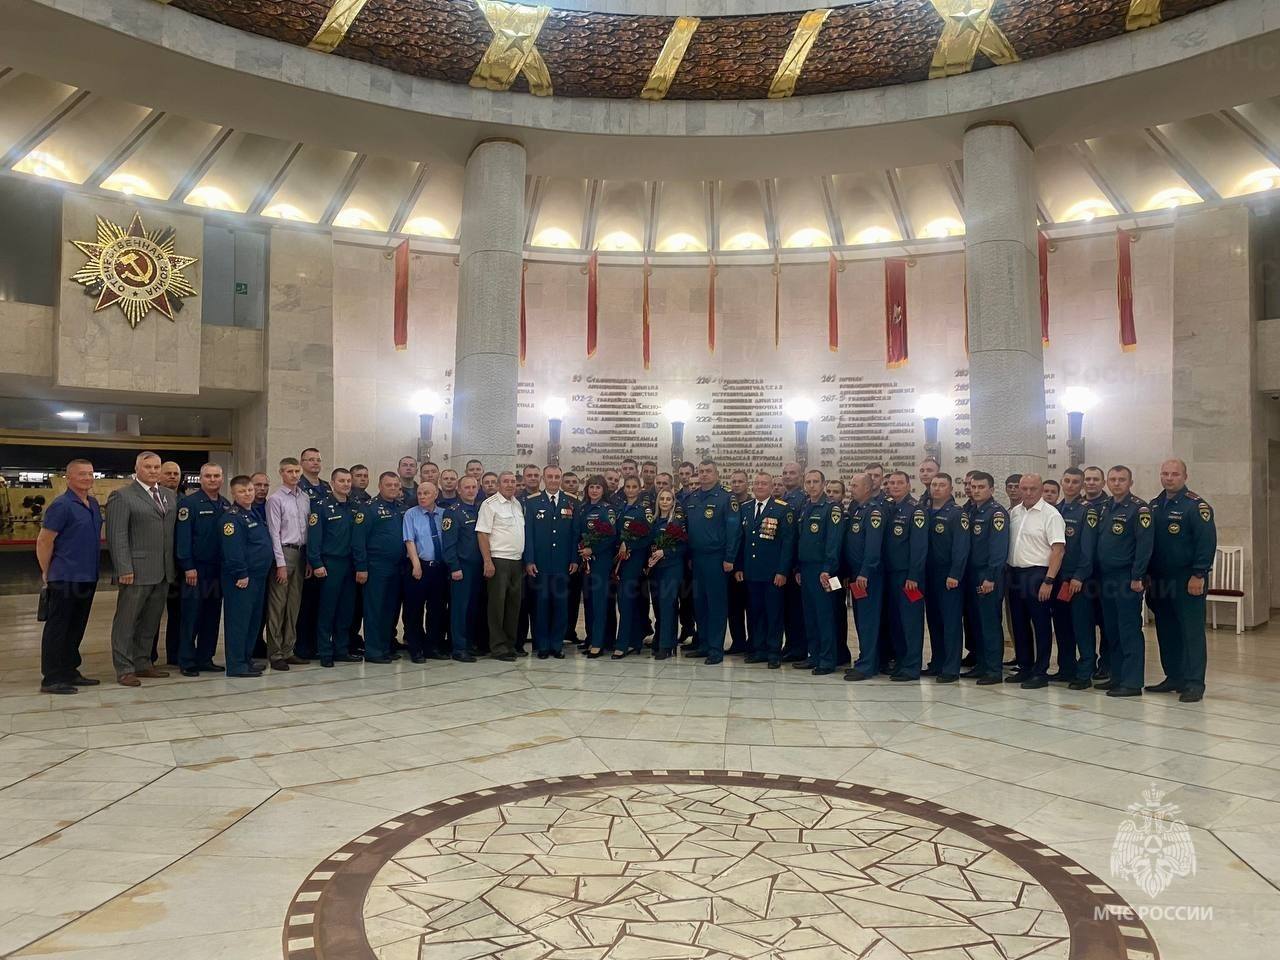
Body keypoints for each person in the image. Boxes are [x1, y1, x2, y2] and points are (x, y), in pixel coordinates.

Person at [1146, 459, 1216, 703]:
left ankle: (1195, 682)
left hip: (1187, 578)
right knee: (1166, 629)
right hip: (1159, 579)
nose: (1169, 478)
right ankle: (1174, 676)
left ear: (1185, 477)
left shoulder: (1196, 506)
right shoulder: (1154, 505)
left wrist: (1199, 574)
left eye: (1175, 474)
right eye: (1165, 473)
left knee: (1191, 632)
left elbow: (1206, 542)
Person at [106, 451, 177, 686]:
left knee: (151, 622)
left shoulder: (169, 495)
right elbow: (117, 535)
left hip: (163, 571)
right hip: (135, 571)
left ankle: (143, 663)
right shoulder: (122, 496)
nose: (153, 471)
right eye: (148, 467)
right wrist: (123, 568)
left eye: (157, 467)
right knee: (126, 622)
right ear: (137, 469)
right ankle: (124, 668)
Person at [36, 459, 103, 694]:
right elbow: (44, 540)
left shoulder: (92, 504)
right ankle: (52, 677)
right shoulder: (61, 505)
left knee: (76, 626)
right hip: (65, 576)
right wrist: (47, 571)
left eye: (90, 473)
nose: (87, 478)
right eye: (81, 474)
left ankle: (69, 670)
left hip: (88, 575)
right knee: (59, 626)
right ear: (69, 477)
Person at [1094, 465, 1154, 697]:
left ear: (1130, 483)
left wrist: (1138, 576)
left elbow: (1144, 545)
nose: (1116, 483)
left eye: (1121, 479)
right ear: (1107, 483)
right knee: (1112, 630)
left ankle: (1132, 682)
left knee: (1129, 630)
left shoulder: (1139, 509)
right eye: (1113, 479)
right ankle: (1117, 676)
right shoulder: (1104, 507)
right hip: (1105, 577)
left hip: (1127, 578)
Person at [1005, 473, 1066, 689]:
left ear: (1041, 490)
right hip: (1014, 574)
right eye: (1024, 488)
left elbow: (1058, 550)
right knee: (1019, 623)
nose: (1028, 493)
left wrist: (1049, 580)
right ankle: (1025, 667)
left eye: (1033, 489)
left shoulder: (1051, 515)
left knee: (1040, 624)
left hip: (1038, 575)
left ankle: (1040, 671)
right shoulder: (1014, 513)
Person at [684, 460, 741, 665]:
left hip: (717, 558)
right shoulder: (692, 498)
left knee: (716, 604)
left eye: (708, 471)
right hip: (697, 558)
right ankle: (704, 644)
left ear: (717, 474)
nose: (704, 475)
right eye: (701, 471)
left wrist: (729, 557)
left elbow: (734, 530)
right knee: (700, 603)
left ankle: (716, 649)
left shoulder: (726, 498)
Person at [175, 463, 229, 677]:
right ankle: (187, 660)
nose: (212, 480)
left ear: (222, 478)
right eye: (208, 476)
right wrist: (188, 566)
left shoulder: (225, 504)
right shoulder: (189, 504)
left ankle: (205, 658)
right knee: (191, 616)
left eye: (216, 476)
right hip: (196, 570)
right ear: (201, 478)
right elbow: (183, 538)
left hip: (218, 569)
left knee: (212, 616)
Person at [736, 471, 795, 669]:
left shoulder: (782, 509)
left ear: (771, 487)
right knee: (755, 612)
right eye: (757, 483)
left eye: (764, 483)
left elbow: (788, 543)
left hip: (773, 574)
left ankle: (773, 652)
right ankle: (758, 649)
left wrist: (782, 571)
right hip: (751, 572)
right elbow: (741, 540)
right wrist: (739, 566)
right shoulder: (745, 508)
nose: (760, 486)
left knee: (774, 613)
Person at [220, 475, 272, 678]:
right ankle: (236, 665)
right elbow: (233, 550)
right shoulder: (231, 518)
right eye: (242, 491)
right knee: (239, 622)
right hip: (242, 579)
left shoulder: (253, 513)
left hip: (258, 576)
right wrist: (241, 573)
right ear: (233, 494)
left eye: (250, 490)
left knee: (253, 621)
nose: (247, 494)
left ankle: (246, 659)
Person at [308, 468, 361, 668]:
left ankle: (341, 649)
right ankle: (325, 651)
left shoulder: (355, 506)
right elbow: (314, 538)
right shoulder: (321, 507)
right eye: (341, 481)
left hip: (350, 564)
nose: (346, 484)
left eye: (348, 481)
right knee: (327, 609)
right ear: (332, 483)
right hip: (331, 564)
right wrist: (316, 563)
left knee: (346, 609)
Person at [523, 465, 577, 660]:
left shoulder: (571, 501)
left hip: (562, 563)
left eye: (557, 477)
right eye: (550, 477)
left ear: (560, 479)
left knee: (561, 607)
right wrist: (529, 560)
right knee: (541, 606)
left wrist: (574, 558)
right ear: (543, 479)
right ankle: (543, 645)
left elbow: (575, 533)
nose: (553, 480)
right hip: (541, 563)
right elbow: (528, 534)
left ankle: (557, 644)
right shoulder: (532, 502)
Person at [353, 472, 407, 664]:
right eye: (388, 485)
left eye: (395, 485)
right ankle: (373, 651)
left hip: (397, 567)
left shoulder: (401, 508)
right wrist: (361, 566)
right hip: (376, 566)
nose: (393, 488)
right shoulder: (369, 508)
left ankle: (385, 647)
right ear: (380, 486)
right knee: (374, 609)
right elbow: (358, 540)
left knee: (390, 610)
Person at [792, 469, 841, 675]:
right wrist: (798, 567)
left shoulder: (831, 508)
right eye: (808, 482)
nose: (811, 485)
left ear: (823, 484)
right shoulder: (805, 507)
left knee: (824, 616)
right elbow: (801, 540)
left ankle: (827, 660)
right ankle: (814, 655)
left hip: (823, 570)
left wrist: (828, 569)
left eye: (815, 482)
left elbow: (833, 541)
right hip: (806, 569)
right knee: (810, 615)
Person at [880, 470, 928, 681]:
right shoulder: (888, 509)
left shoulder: (916, 510)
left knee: (911, 622)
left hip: (909, 578)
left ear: (908, 486)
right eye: (891, 483)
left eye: (900, 483)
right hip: (891, 575)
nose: (895, 486)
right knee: (896, 621)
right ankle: (901, 662)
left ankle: (911, 667)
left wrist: (914, 576)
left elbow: (919, 547)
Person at [1055, 467, 1099, 690]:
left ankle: (1085, 672)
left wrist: (1080, 576)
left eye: (1075, 482)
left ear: (1081, 485)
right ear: (1062, 482)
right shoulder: (1056, 509)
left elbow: (1088, 549)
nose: (1070, 485)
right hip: (1058, 578)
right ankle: (1066, 669)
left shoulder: (1087, 510)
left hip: (1078, 579)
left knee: (1082, 626)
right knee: (1062, 626)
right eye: (1067, 481)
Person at [264, 457, 310, 671]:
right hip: (283, 552)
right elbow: (273, 533)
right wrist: (280, 563)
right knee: (278, 605)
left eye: (297, 471)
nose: (294, 475)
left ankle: (289, 649)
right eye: (289, 471)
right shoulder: (275, 499)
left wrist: (308, 559)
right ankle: (275, 653)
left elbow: (307, 530)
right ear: (281, 473)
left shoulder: (305, 497)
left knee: (293, 604)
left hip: (301, 553)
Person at [963, 472, 1009, 685]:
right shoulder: (971, 511)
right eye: (973, 487)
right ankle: (981, 665)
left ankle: (993, 670)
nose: (976, 490)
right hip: (971, 574)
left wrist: (990, 577)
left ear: (991, 489)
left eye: (981, 487)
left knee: (989, 623)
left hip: (987, 575)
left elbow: (998, 549)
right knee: (976, 623)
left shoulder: (996, 513)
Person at [922, 473, 968, 683]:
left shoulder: (956, 514)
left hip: (948, 575)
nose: (937, 488)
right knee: (934, 621)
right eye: (934, 485)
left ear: (950, 489)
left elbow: (961, 547)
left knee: (950, 622)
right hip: (928, 574)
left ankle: (951, 667)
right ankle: (937, 662)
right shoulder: (925, 511)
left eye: (942, 485)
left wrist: (955, 574)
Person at [477, 471, 526, 662]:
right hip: (498, 560)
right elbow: (482, 534)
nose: (510, 484)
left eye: (513, 481)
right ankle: (498, 647)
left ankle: (509, 644)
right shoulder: (489, 505)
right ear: (498, 485)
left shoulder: (517, 504)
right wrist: (487, 561)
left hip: (516, 561)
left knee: (513, 605)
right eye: (506, 481)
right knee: (497, 606)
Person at [842, 473, 885, 682]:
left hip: (866, 577)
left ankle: (868, 665)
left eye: (855, 485)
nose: (851, 488)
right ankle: (865, 659)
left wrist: (865, 572)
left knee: (868, 620)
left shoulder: (873, 511)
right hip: (856, 574)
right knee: (860, 619)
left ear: (867, 488)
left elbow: (873, 546)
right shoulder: (858, 509)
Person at [402, 480, 450, 664]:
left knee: (436, 609)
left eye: (426, 493)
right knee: (414, 609)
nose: (422, 497)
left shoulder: (444, 514)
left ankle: (432, 646)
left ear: (435, 494)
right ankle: (415, 648)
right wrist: (416, 564)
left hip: (439, 567)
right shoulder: (411, 514)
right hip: (419, 566)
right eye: (420, 493)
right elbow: (409, 540)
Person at [575, 475, 618, 657]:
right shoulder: (582, 508)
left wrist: (593, 549)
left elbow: (611, 537)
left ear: (603, 490)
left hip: (601, 561)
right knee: (589, 602)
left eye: (598, 487)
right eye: (591, 487)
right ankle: (591, 638)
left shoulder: (607, 509)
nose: (594, 490)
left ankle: (599, 643)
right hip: (585, 562)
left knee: (600, 603)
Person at [441, 475, 483, 662]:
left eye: (474, 487)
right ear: (459, 490)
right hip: (462, 567)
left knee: (473, 607)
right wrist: (454, 567)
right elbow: (448, 543)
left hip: (478, 567)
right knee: (460, 608)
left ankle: (469, 643)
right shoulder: (452, 512)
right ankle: (458, 647)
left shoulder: (480, 509)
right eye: (467, 487)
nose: (471, 490)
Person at [294, 448, 330, 659]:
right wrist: (310, 557)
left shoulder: (326, 487)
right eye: (310, 460)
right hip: (307, 552)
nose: (315, 463)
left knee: (320, 602)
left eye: (318, 459)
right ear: (302, 463)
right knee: (305, 602)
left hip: (326, 550)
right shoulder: (299, 487)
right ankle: (302, 645)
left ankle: (317, 643)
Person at [149, 460, 185, 666]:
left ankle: (175, 654)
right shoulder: (150, 498)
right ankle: (147, 656)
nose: (172, 476)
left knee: (178, 613)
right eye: (168, 473)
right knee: (151, 614)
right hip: (155, 566)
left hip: (179, 567)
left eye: (176, 473)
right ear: (159, 476)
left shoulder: (185, 501)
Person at [614, 476, 653, 658]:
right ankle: (635, 640)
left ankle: (623, 643)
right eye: (628, 486)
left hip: (634, 560)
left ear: (639, 489)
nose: (630, 490)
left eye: (634, 486)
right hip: (619, 559)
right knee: (626, 602)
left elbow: (648, 536)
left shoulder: (644, 510)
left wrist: (629, 545)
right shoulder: (620, 508)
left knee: (626, 600)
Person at [1081, 465, 1112, 680]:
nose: (1091, 482)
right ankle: (1087, 662)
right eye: (1088, 479)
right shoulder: (1077, 505)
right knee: (1084, 621)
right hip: (1083, 575)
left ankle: (1107, 663)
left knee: (1105, 621)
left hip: (1103, 575)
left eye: (1095, 479)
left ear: (1102, 482)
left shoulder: (1110, 506)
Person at [648, 489, 686, 660]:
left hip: (672, 568)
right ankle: (663, 640)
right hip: (655, 569)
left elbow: (684, 546)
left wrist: (666, 552)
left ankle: (666, 645)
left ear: (673, 502)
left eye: (668, 499)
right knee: (658, 606)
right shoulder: (653, 521)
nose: (664, 501)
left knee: (667, 606)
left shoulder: (677, 522)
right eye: (661, 498)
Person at [778, 461, 807, 663]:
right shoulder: (783, 500)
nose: (788, 476)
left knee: (797, 609)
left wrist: (797, 565)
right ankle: (790, 644)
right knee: (787, 607)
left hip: (796, 563)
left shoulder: (803, 500)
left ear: (801, 476)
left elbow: (799, 536)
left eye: (792, 473)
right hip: (784, 562)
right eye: (785, 473)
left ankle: (799, 647)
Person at [561, 471, 584, 646]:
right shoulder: (559, 502)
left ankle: (570, 630)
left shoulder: (581, 504)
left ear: (578, 484)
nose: (570, 484)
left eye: (573, 482)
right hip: (561, 557)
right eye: (567, 481)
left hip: (579, 558)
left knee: (574, 598)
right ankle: (559, 630)